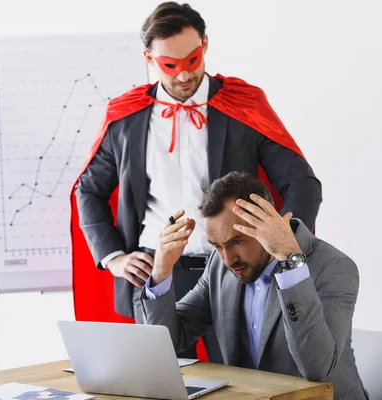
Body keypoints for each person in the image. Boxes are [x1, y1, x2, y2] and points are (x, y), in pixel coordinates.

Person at [70, 2, 322, 358]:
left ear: (204, 45)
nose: (184, 75)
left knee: (242, 381)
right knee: (160, 384)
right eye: (169, 66)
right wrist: (113, 257)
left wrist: (286, 243)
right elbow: (89, 190)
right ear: (148, 57)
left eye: (191, 60)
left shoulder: (244, 104)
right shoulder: (125, 117)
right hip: (159, 270)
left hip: (234, 269)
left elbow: (302, 182)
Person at [141, 171, 367, 399]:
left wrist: (291, 261)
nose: (228, 260)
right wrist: (161, 270)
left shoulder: (333, 267)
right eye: (217, 246)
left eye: (237, 241)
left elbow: (317, 368)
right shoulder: (219, 267)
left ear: (266, 222)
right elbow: (169, 341)